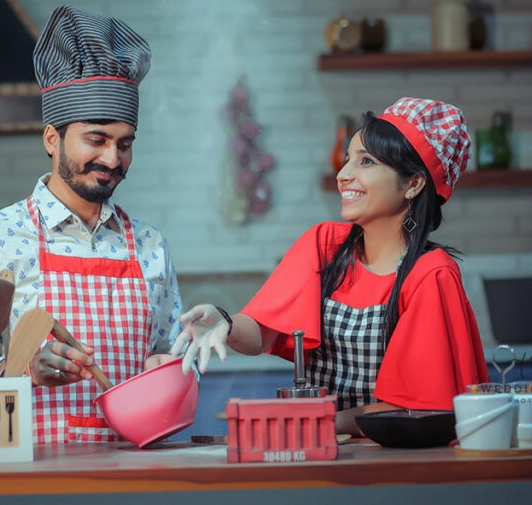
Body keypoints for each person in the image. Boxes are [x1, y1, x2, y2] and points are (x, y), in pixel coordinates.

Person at [0, 6, 183, 443]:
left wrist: (175, 369)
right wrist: (24, 372)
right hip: (29, 477)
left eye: (125, 144)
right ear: (52, 138)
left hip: (135, 471)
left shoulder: (149, 246)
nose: (112, 159)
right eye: (97, 139)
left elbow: (171, 355)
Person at [172, 97, 489, 436]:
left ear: (413, 183)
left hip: (390, 458)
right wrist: (226, 322)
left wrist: (309, 420)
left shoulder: (431, 274)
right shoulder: (325, 246)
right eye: (348, 160)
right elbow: (261, 332)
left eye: (365, 162)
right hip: (322, 450)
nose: (343, 175)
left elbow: (410, 407)